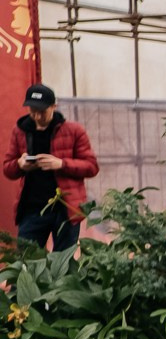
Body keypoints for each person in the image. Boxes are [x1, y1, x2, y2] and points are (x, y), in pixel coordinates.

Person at [4, 83, 99, 252]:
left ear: (54, 106)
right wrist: (20, 165)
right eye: (32, 110)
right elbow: (8, 169)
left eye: (42, 111)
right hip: (32, 208)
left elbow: (91, 166)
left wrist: (61, 164)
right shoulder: (20, 131)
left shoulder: (73, 130)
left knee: (63, 264)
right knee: (26, 260)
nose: (37, 116)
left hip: (66, 209)